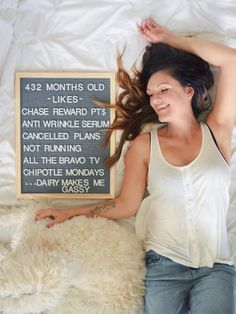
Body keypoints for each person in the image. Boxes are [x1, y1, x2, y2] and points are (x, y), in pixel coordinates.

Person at [36, 18, 236, 313]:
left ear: (189, 90)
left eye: (164, 90)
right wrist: (70, 212)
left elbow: (230, 60)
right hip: (164, 268)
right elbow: (126, 205)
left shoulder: (217, 132)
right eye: (152, 95)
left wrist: (171, 39)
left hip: (215, 267)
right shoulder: (144, 145)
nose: (156, 100)